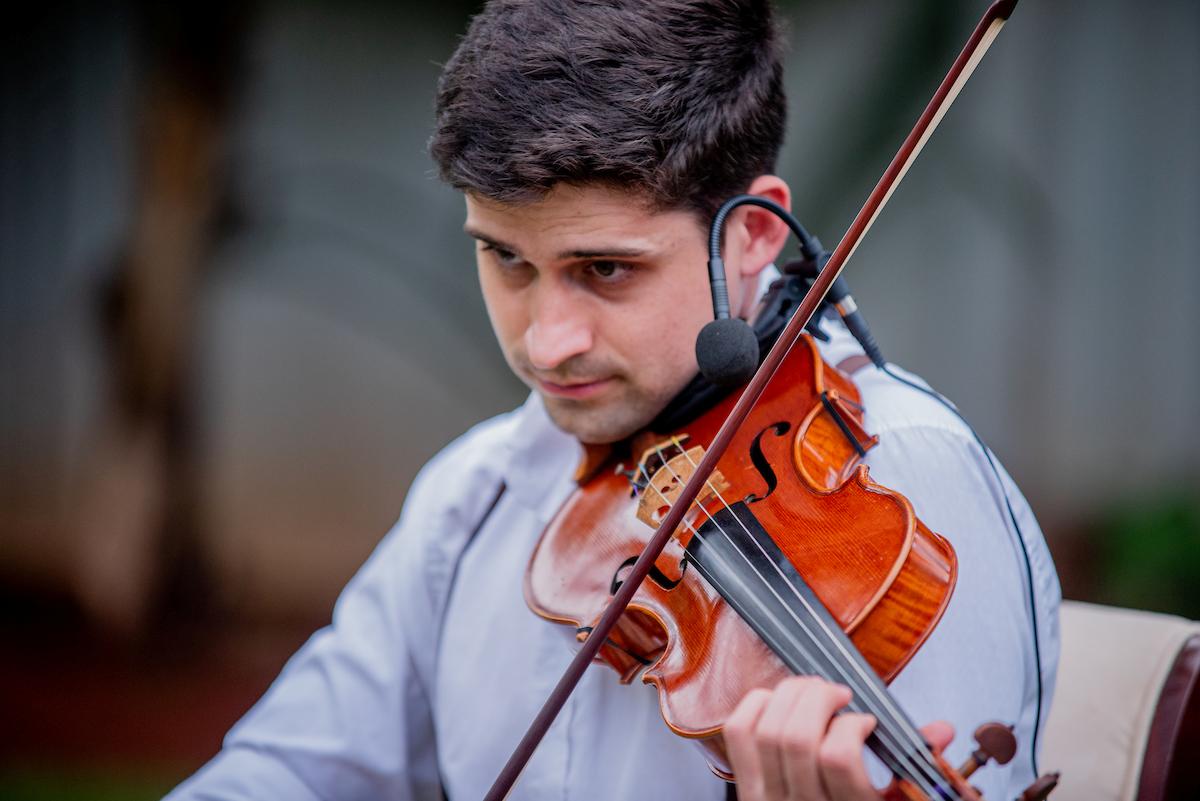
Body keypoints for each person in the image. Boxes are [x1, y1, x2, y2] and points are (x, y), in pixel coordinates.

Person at [165, 1, 1060, 799]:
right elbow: (289, 769)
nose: (546, 342)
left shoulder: (908, 487)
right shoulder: (480, 490)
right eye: (506, 259)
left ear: (751, 234)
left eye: (606, 269)